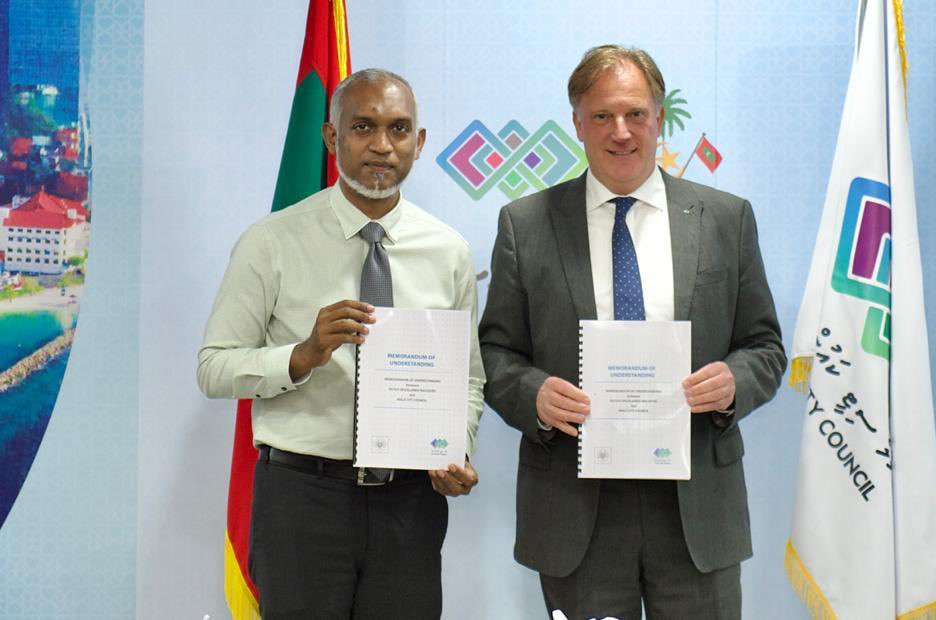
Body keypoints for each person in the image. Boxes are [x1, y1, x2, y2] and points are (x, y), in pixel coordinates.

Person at [479, 45, 786, 619]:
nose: (620, 132)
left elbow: (764, 347)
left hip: (695, 505)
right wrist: (534, 395)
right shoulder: (525, 224)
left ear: (659, 118)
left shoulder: (726, 218)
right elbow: (495, 352)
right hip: (577, 507)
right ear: (577, 123)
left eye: (635, 114)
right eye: (602, 115)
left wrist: (733, 383)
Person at [197, 69, 484, 619]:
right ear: (332, 138)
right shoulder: (271, 241)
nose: (382, 145)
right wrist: (300, 356)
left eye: (399, 128)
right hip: (303, 497)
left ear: (419, 142)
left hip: (410, 502)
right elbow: (214, 367)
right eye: (363, 127)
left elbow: (468, 379)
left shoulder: (448, 250)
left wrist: (455, 447)